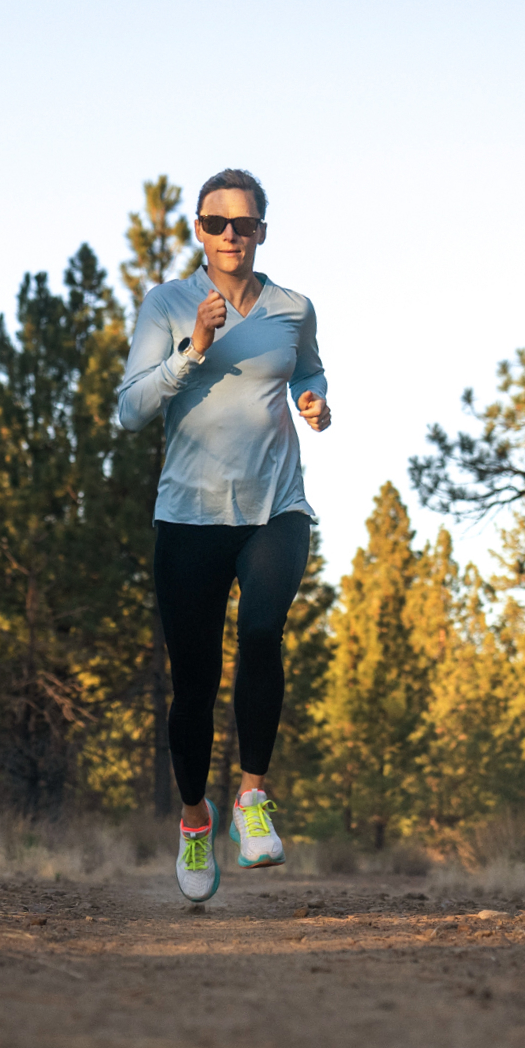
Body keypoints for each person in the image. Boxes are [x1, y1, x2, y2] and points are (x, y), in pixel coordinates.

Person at [116, 168, 330, 902]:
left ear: (261, 231)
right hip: (188, 516)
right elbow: (129, 411)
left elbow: (310, 369)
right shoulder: (168, 304)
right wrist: (192, 347)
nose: (229, 235)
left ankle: (251, 800)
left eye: (242, 224)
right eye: (215, 223)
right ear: (197, 231)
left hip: (275, 508)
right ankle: (194, 821)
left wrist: (313, 399)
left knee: (263, 635)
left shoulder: (292, 308)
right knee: (195, 682)